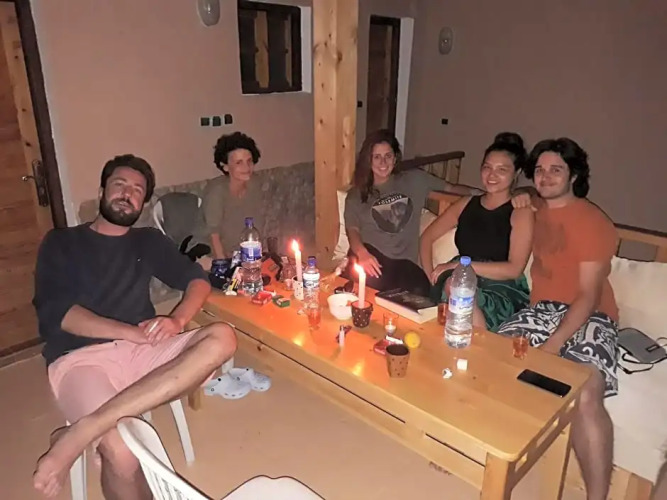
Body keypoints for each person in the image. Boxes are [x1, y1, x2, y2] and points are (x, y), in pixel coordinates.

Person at [32, 154, 237, 499]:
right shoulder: (61, 242)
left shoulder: (147, 241)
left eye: (137, 190)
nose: (128, 194)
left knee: (223, 337)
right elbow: (61, 314)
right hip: (82, 359)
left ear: (143, 203)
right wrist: (131, 333)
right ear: (102, 192)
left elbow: (197, 280)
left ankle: (83, 430)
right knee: (123, 454)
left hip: (144, 351)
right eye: (120, 185)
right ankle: (96, 431)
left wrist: (177, 320)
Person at [497, 138, 619, 500]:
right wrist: (522, 192)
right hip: (541, 310)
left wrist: (554, 345)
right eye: (539, 170)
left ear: (574, 175)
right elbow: (520, 194)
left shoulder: (593, 221)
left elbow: (589, 294)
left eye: (556, 170)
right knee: (489, 358)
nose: (545, 177)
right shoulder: (534, 206)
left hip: (591, 314)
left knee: (586, 390)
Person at [343, 129, 479, 296]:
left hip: (404, 264)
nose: (383, 162)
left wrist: (485, 194)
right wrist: (362, 253)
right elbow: (352, 230)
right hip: (372, 258)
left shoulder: (414, 180)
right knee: (366, 291)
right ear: (368, 160)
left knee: (421, 293)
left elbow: (451, 188)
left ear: (395, 158)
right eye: (376, 157)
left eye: (388, 155)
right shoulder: (356, 194)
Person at [420, 132, 533, 331]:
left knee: (458, 289)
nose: (492, 175)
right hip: (457, 278)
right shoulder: (466, 204)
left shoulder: (520, 211)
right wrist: (431, 276)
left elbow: (514, 269)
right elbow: (427, 238)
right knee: (454, 288)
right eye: (487, 167)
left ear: (516, 173)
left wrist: (459, 266)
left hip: (500, 288)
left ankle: (475, 345)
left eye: (502, 169)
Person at [202, 131, 264, 259]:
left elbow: (258, 228)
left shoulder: (255, 184)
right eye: (238, 163)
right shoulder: (216, 192)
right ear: (225, 166)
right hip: (212, 256)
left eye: (249, 161)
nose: (246, 167)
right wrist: (224, 264)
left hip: (244, 254)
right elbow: (213, 236)